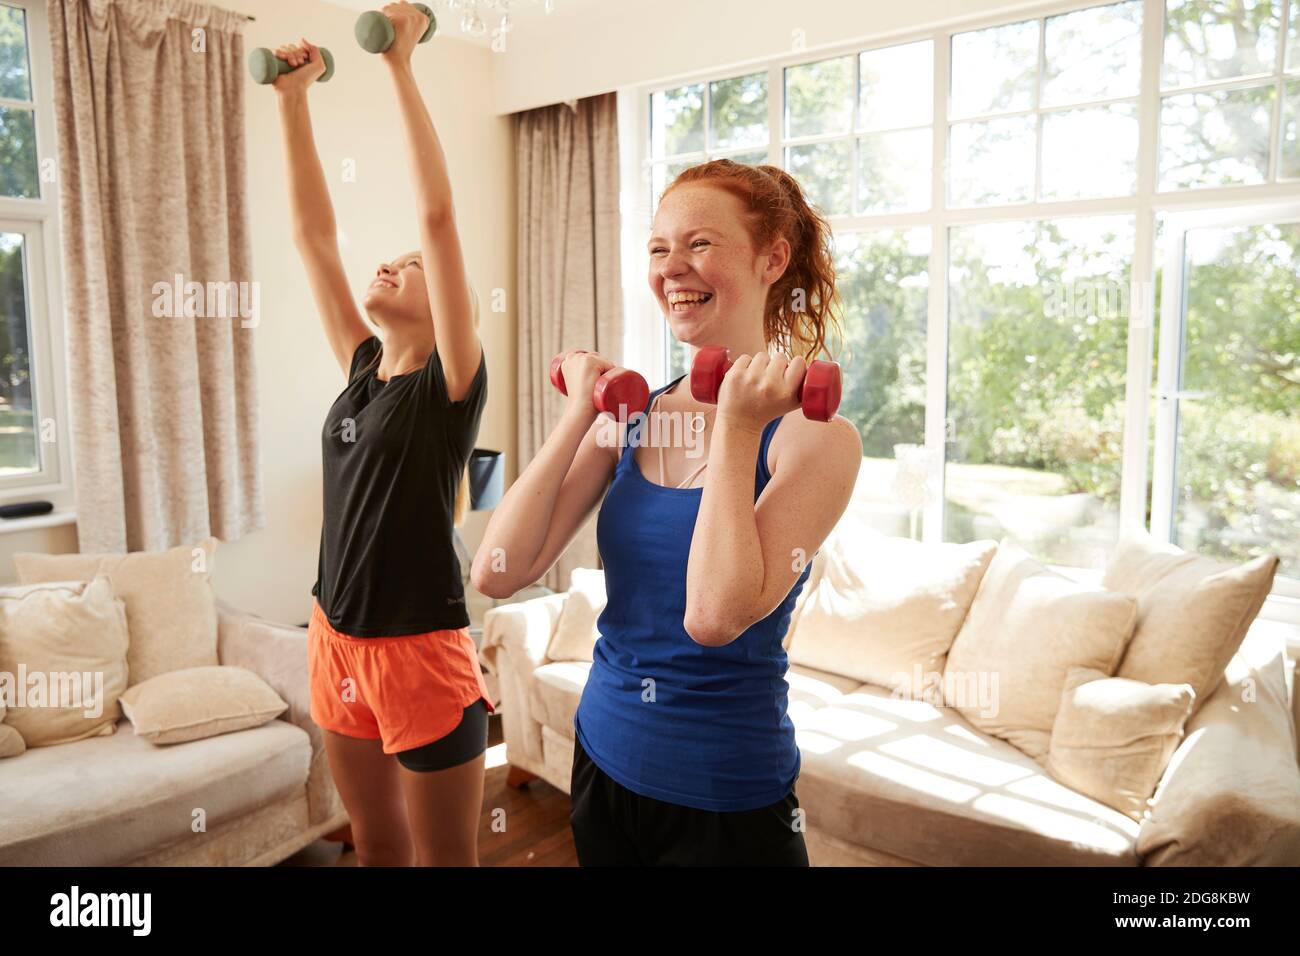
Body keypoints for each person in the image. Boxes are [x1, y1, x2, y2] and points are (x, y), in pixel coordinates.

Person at [472, 159, 862, 865]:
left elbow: (713, 618)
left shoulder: (817, 435)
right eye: (658, 248)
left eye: (700, 244)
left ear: (773, 258)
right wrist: (575, 417)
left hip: (725, 796)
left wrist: (738, 428)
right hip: (602, 761)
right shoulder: (638, 413)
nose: (672, 268)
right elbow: (497, 571)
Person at [271, 2, 490, 867]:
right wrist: (294, 100)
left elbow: (439, 220)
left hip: (421, 651)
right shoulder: (363, 367)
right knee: (374, 848)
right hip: (333, 634)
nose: (392, 263)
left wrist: (399, 65)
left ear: (451, 312)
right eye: (390, 258)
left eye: (412, 268)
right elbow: (312, 237)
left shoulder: (450, 387)